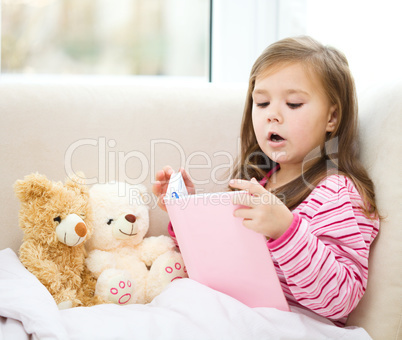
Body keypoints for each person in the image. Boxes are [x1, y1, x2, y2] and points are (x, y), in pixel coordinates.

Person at [152, 36, 380, 326]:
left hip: (294, 324)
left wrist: (287, 230)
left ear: (332, 117)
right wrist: (189, 211)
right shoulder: (259, 182)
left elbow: (340, 299)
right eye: (262, 102)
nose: (272, 115)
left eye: (293, 103)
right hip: (237, 313)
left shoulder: (336, 193)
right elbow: (219, 265)